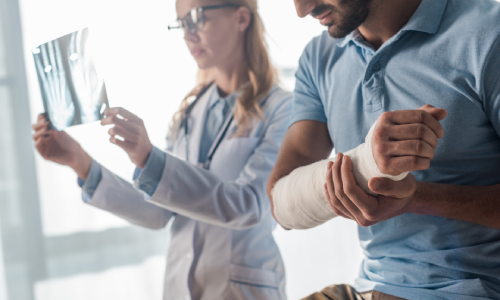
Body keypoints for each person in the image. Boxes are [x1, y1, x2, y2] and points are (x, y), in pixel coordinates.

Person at [32, 0, 291, 299]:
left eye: (196, 18)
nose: (187, 34)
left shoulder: (283, 109)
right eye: (182, 23)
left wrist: (150, 159)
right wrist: (79, 161)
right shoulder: (191, 112)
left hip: (243, 289)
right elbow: (159, 212)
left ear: (242, 18)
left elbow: (251, 206)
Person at [267, 0, 500, 299]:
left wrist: (416, 198)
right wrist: (366, 164)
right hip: (367, 287)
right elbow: (280, 202)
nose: (302, 9)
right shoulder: (319, 57)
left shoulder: (488, 34)